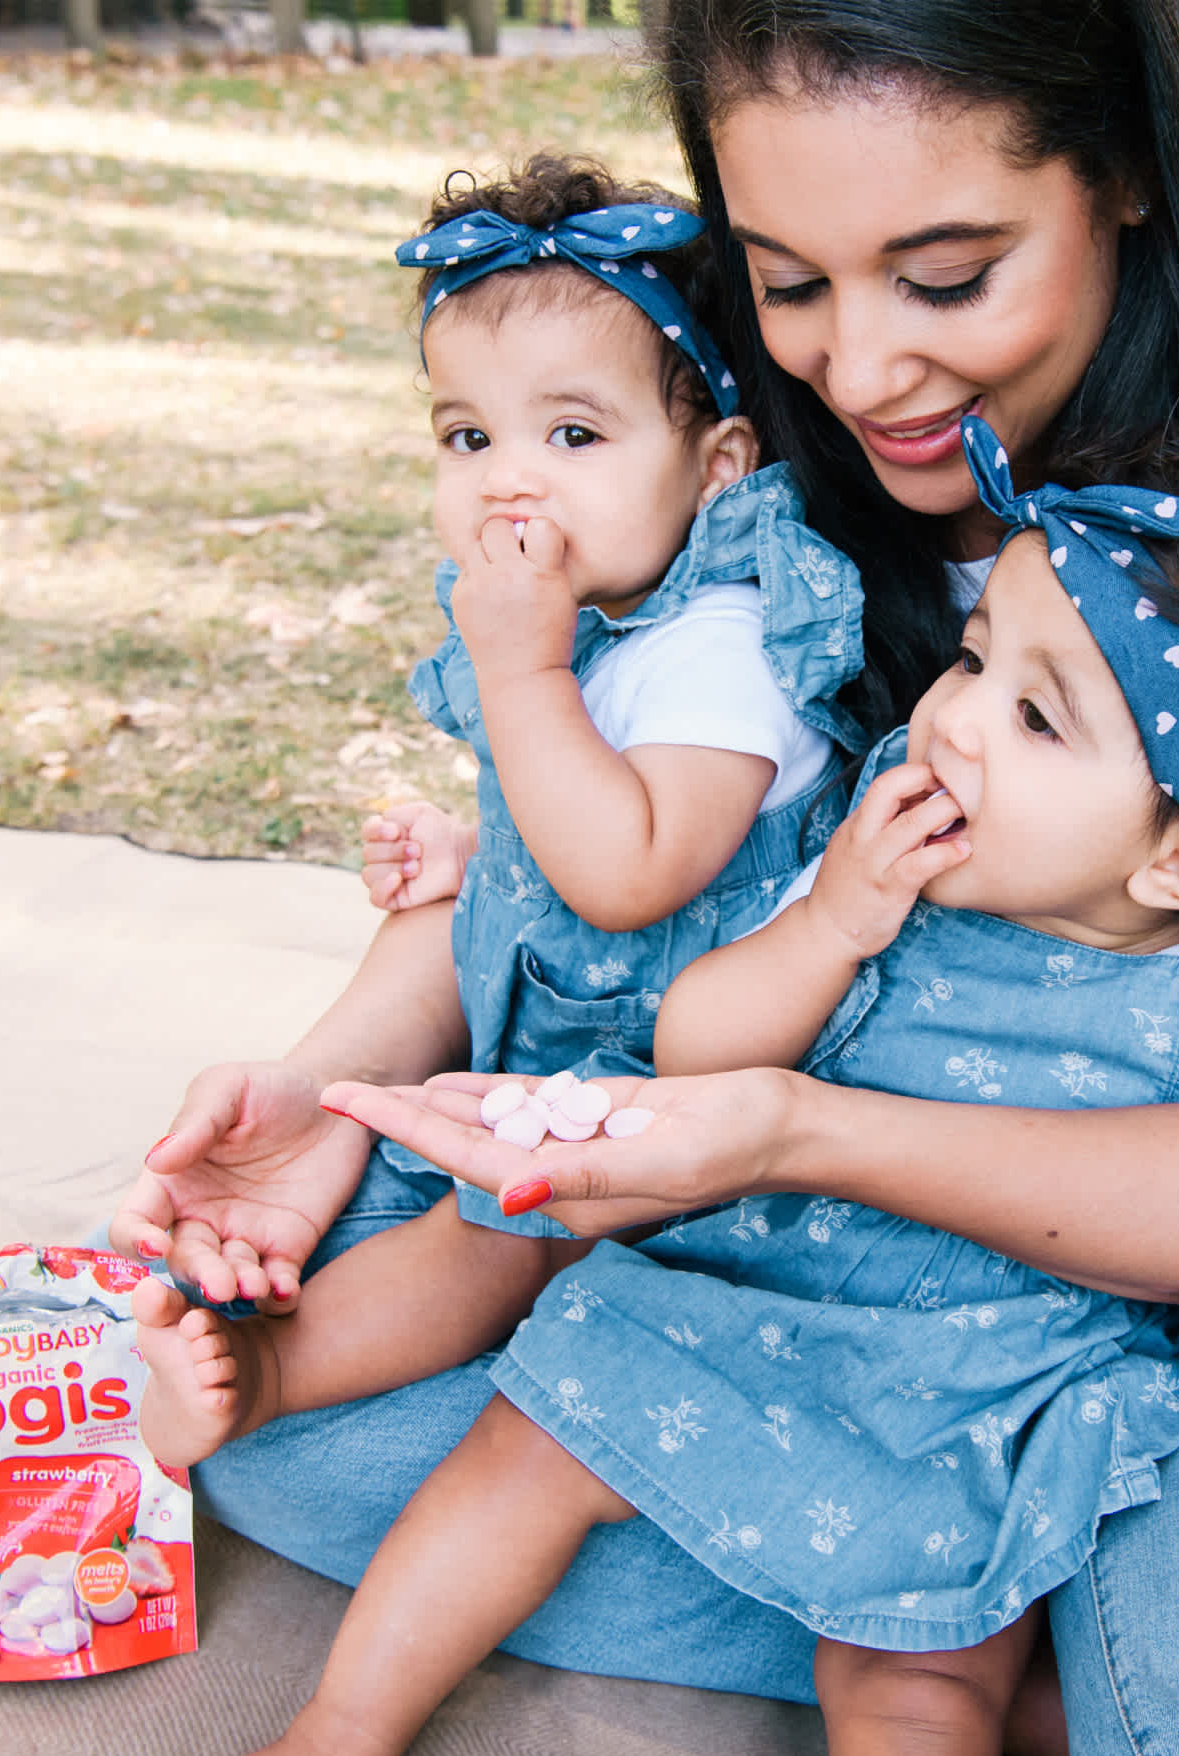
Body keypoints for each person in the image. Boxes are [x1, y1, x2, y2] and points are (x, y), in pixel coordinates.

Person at [111, 2, 1179, 1756]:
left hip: (1157, 1296)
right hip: (767, 1241)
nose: (858, 374)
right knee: (285, 1427)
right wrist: (340, 1075)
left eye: (947, 277)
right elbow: (606, 860)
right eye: (788, 282)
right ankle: (961, 1604)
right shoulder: (728, 449)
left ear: (1133, 183)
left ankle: (1037, 1627)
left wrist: (798, 1133)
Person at [129, 151, 867, 1471]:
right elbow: (582, 817)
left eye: (572, 435)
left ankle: (267, 1372)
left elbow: (639, 870)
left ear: (718, 466)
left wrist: (520, 674)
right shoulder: (603, 630)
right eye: (468, 436)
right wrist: (479, 853)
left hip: (686, 1090)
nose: (506, 481)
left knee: (491, 1238)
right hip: (563, 1041)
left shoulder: (728, 641)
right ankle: (266, 1269)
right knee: (389, 1173)